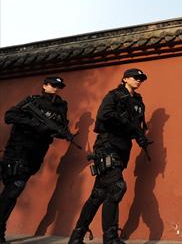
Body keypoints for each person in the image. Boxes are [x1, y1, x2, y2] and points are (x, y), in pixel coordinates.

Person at [68, 68, 151, 244]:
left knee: (98, 194)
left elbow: (137, 127)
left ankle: (76, 236)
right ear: (125, 79)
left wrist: (141, 137)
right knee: (117, 187)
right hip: (107, 144)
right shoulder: (114, 96)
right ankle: (110, 238)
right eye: (135, 78)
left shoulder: (138, 102)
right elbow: (104, 116)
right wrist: (128, 125)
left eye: (141, 79)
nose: (139, 80)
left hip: (122, 148)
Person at [0, 77, 73, 244]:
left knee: (13, 191)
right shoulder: (32, 101)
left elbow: (61, 127)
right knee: (13, 190)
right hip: (18, 151)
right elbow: (9, 115)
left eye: (59, 86)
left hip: (36, 153)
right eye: (53, 85)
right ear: (44, 86)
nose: (56, 88)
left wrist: (64, 133)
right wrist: (34, 124)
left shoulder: (61, 107)